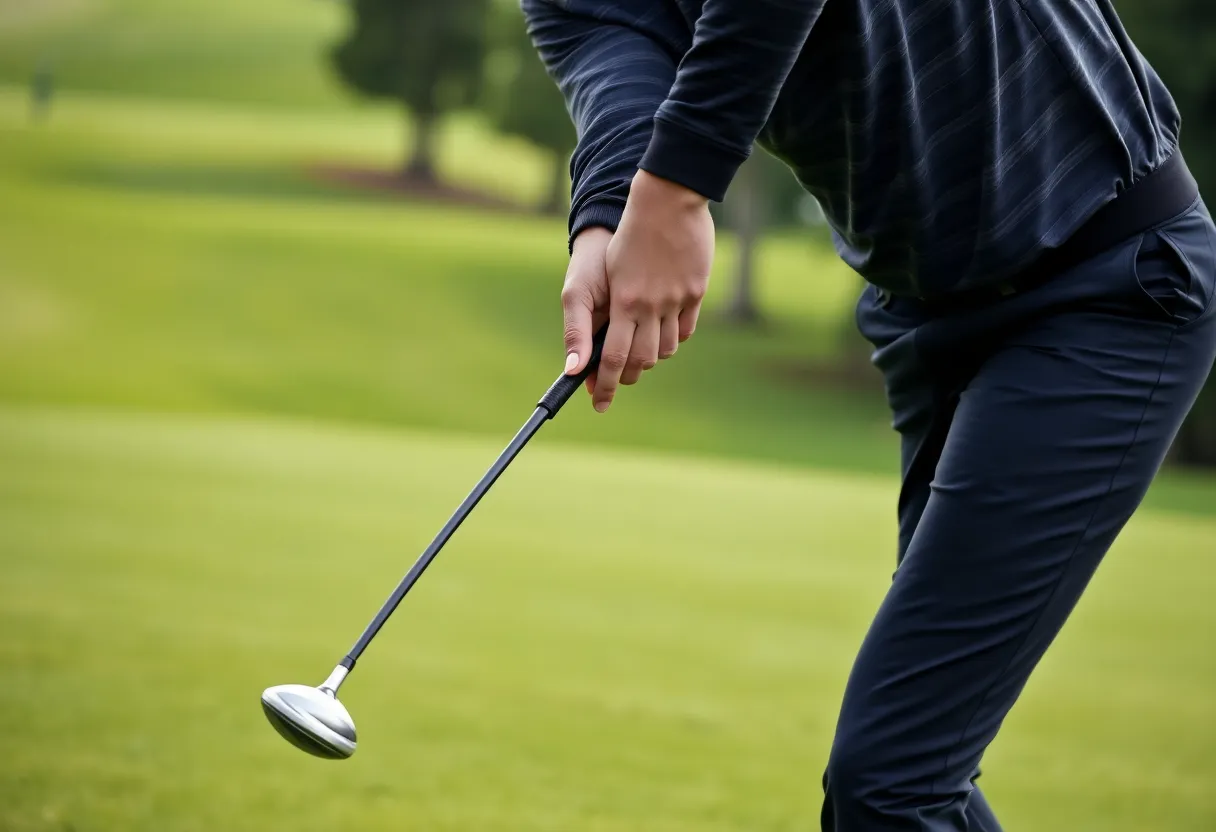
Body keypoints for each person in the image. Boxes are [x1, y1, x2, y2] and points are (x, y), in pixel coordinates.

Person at [522, 0, 1216, 829]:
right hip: (931, 316)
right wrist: (605, 217)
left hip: (1112, 277)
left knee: (893, 782)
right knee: (913, 781)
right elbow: (614, 50)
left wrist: (674, 194)